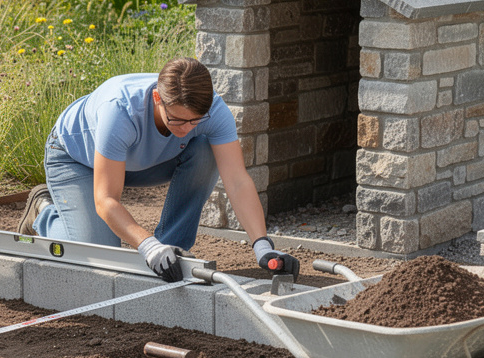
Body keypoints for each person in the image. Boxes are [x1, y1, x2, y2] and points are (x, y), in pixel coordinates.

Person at [18, 57, 299, 282]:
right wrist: (146, 245)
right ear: (156, 98)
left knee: (206, 150)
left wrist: (262, 244)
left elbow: (237, 181)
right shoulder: (120, 111)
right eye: (177, 120)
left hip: (140, 162)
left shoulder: (213, 111)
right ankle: (44, 212)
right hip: (78, 159)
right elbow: (106, 200)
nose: (187, 128)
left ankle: (172, 250)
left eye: (195, 121)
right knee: (99, 258)